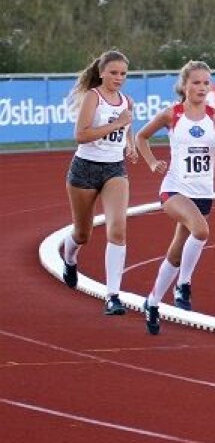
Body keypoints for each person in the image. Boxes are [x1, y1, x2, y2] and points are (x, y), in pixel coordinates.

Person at [136, 61, 215, 335]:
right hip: (174, 190)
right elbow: (141, 137)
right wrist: (152, 163)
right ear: (184, 85)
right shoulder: (172, 114)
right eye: (196, 82)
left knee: (176, 251)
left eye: (206, 83)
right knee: (201, 231)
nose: (202, 87)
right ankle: (184, 285)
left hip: (203, 194)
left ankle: (152, 302)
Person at [62, 50, 139, 315]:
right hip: (84, 168)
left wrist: (130, 145)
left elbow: (127, 127)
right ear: (102, 72)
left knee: (117, 229)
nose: (119, 78)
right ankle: (70, 258)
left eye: (123, 74)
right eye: (114, 73)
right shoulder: (92, 97)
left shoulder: (127, 101)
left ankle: (112, 296)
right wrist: (117, 124)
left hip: (114, 170)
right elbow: (81, 135)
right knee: (82, 234)